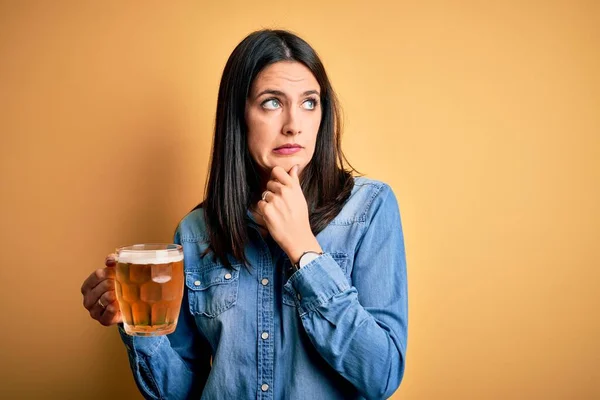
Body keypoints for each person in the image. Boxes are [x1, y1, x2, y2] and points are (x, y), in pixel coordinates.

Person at [81, 29, 408, 400]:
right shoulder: (194, 232)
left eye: (309, 102)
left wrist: (305, 252)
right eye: (272, 103)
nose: (294, 125)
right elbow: (179, 393)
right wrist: (138, 325)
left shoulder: (369, 209)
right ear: (239, 115)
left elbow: (381, 376)